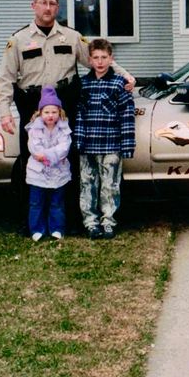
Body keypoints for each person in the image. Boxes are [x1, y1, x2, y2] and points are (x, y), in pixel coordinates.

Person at [0, 0, 135, 224]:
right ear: (34, 6)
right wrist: (4, 112)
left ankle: (68, 216)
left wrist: (125, 76)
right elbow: (6, 78)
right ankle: (32, 217)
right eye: (43, 3)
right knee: (33, 158)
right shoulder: (18, 40)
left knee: (67, 158)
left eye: (52, 3)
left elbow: (97, 60)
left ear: (57, 7)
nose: (48, 8)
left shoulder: (71, 37)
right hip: (32, 104)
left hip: (64, 103)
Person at [74, 39, 136, 240]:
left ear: (111, 59)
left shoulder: (120, 84)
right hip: (89, 145)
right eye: (96, 58)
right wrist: (79, 142)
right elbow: (79, 115)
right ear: (90, 60)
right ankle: (90, 222)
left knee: (110, 185)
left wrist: (127, 145)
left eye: (104, 57)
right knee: (88, 183)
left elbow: (127, 116)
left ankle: (108, 221)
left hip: (111, 145)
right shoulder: (83, 84)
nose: (100, 62)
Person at [25, 86, 71, 241]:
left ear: (59, 112)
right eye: (46, 112)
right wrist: (47, 155)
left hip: (59, 171)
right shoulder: (34, 129)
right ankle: (36, 229)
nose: (50, 116)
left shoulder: (64, 128)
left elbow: (64, 147)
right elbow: (35, 148)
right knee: (36, 202)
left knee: (56, 202)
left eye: (54, 112)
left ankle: (56, 228)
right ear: (40, 113)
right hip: (38, 172)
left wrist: (49, 155)